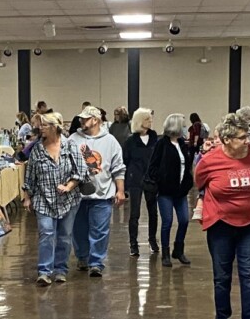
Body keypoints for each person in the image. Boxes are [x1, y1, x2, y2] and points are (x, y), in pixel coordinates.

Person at [194, 112, 250, 319]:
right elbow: (200, 183)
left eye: (247, 136)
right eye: (241, 137)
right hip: (221, 223)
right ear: (226, 140)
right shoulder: (210, 161)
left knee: (249, 273)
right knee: (222, 274)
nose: (247, 141)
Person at [21, 111, 87, 286]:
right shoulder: (37, 149)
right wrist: (27, 196)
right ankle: (44, 271)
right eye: (40, 125)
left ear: (54, 127)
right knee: (46, 233)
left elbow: (81, 171)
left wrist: (68, 186)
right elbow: (30, 174)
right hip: (43, 198)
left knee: (65, 236)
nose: (40, 128)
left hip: (68, 199)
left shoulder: (70, 145)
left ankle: (60, 270)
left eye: (44, 125)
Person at [70, 105, 125, 276]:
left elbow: (118, 168)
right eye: (81, 118)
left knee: (100, 230)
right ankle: (82, 257)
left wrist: (120, 191)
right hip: (77, 195)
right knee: (78, 230)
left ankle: (96, 262)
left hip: (102, 194)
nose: (81, 121)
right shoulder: (73, 139)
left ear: (95, 120)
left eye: (85, 118)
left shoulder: (110, 141)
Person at [149, 113, 194, 267]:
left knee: (184, 220)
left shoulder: (182, 143)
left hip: (181, 191)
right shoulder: (162, 144)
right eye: (183, 125)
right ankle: (165, 253)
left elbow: (187, 165)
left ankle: (178, 249)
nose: (185, 127)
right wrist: (161, 180)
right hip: (165, 192)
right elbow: (153, 167)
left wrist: (188, 182)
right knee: (167, 222)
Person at [122, 108, 159, 258]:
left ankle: (152, 240)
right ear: (139, 121)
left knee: (153, 212)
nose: (150, 122)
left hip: (151, 179)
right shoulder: (130, 141)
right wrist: (124, 184)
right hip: (135, 179)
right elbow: (125, 160)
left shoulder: (155, 138)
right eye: (147, 119)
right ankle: (133, 243)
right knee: (134, 213)